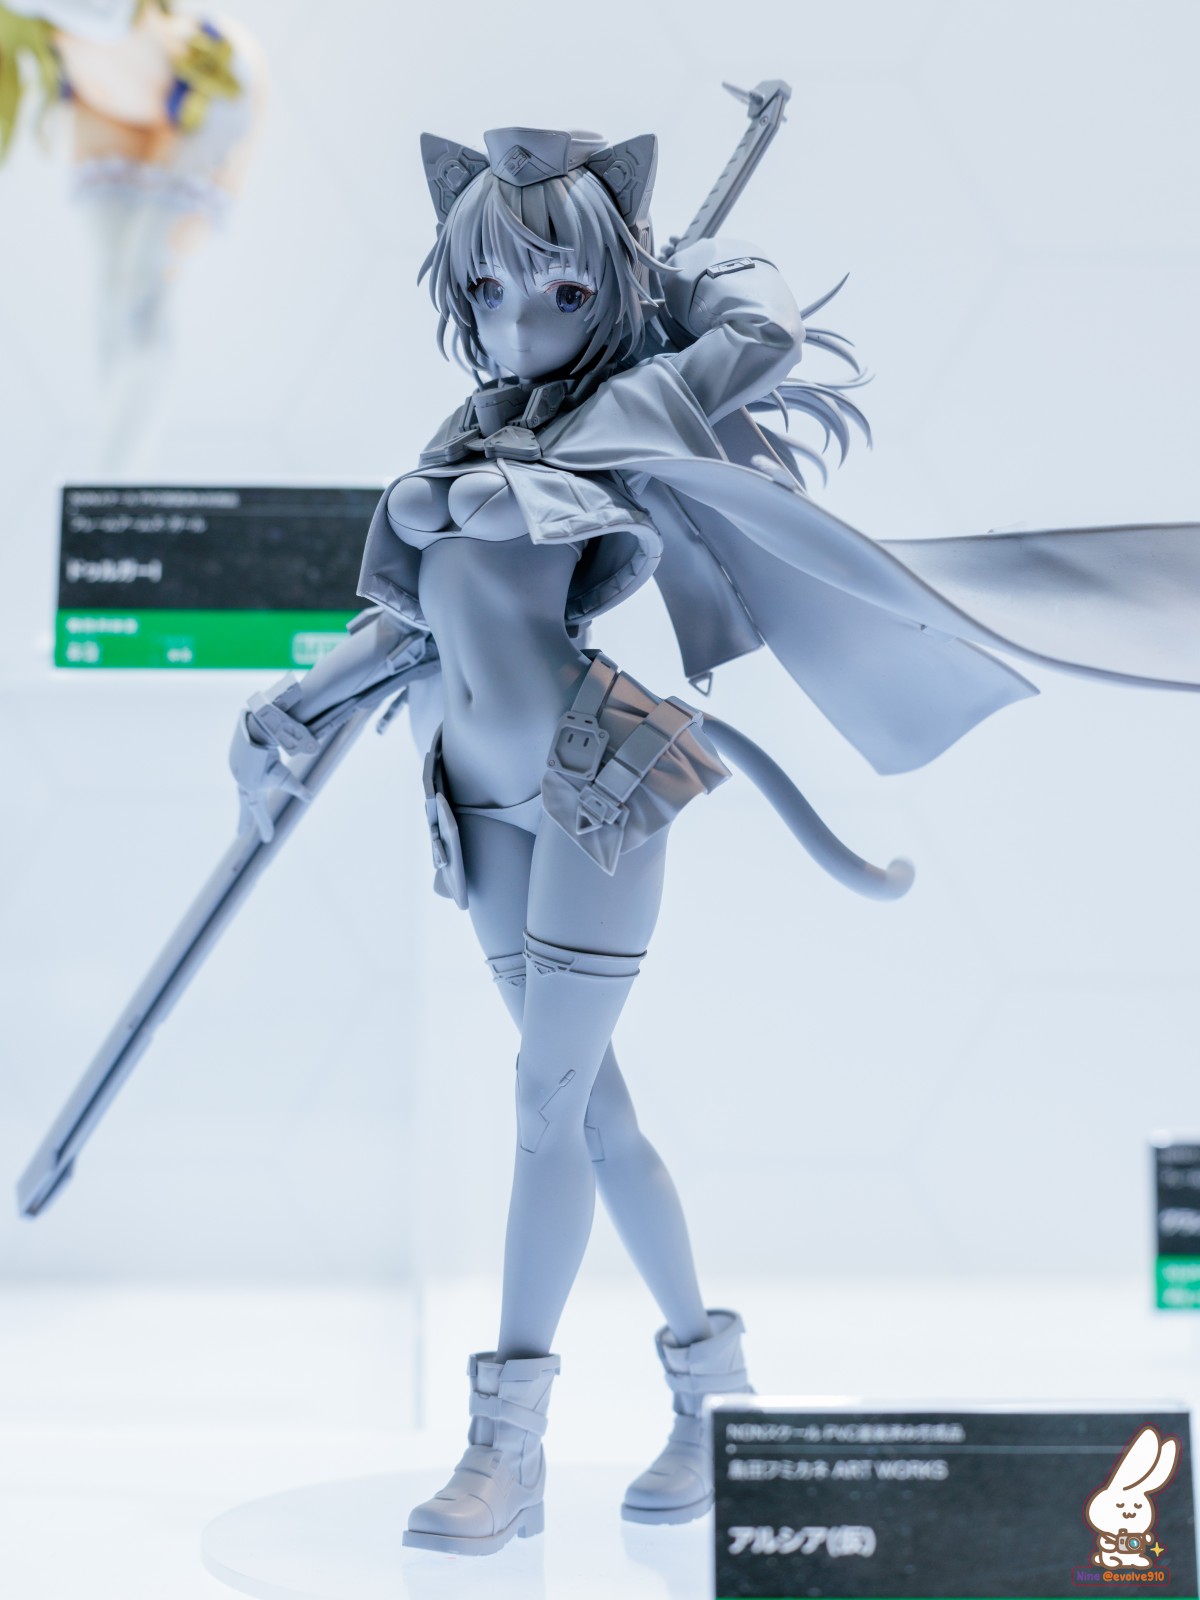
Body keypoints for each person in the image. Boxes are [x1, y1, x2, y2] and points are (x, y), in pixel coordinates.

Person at [230, 121, 1200, 1557]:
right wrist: (288, 707)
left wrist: (662, 287)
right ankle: (713, 1392)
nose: (518, 320)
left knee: (544, 1106)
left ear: (611, 291)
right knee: (591, 1116)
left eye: (561, 290)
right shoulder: (468, 441)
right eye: (489, 287)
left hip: (593, 780)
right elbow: (414, 623)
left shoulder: (639, 399)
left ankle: (506, 1445)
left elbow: (768, 331)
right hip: (475, 802)